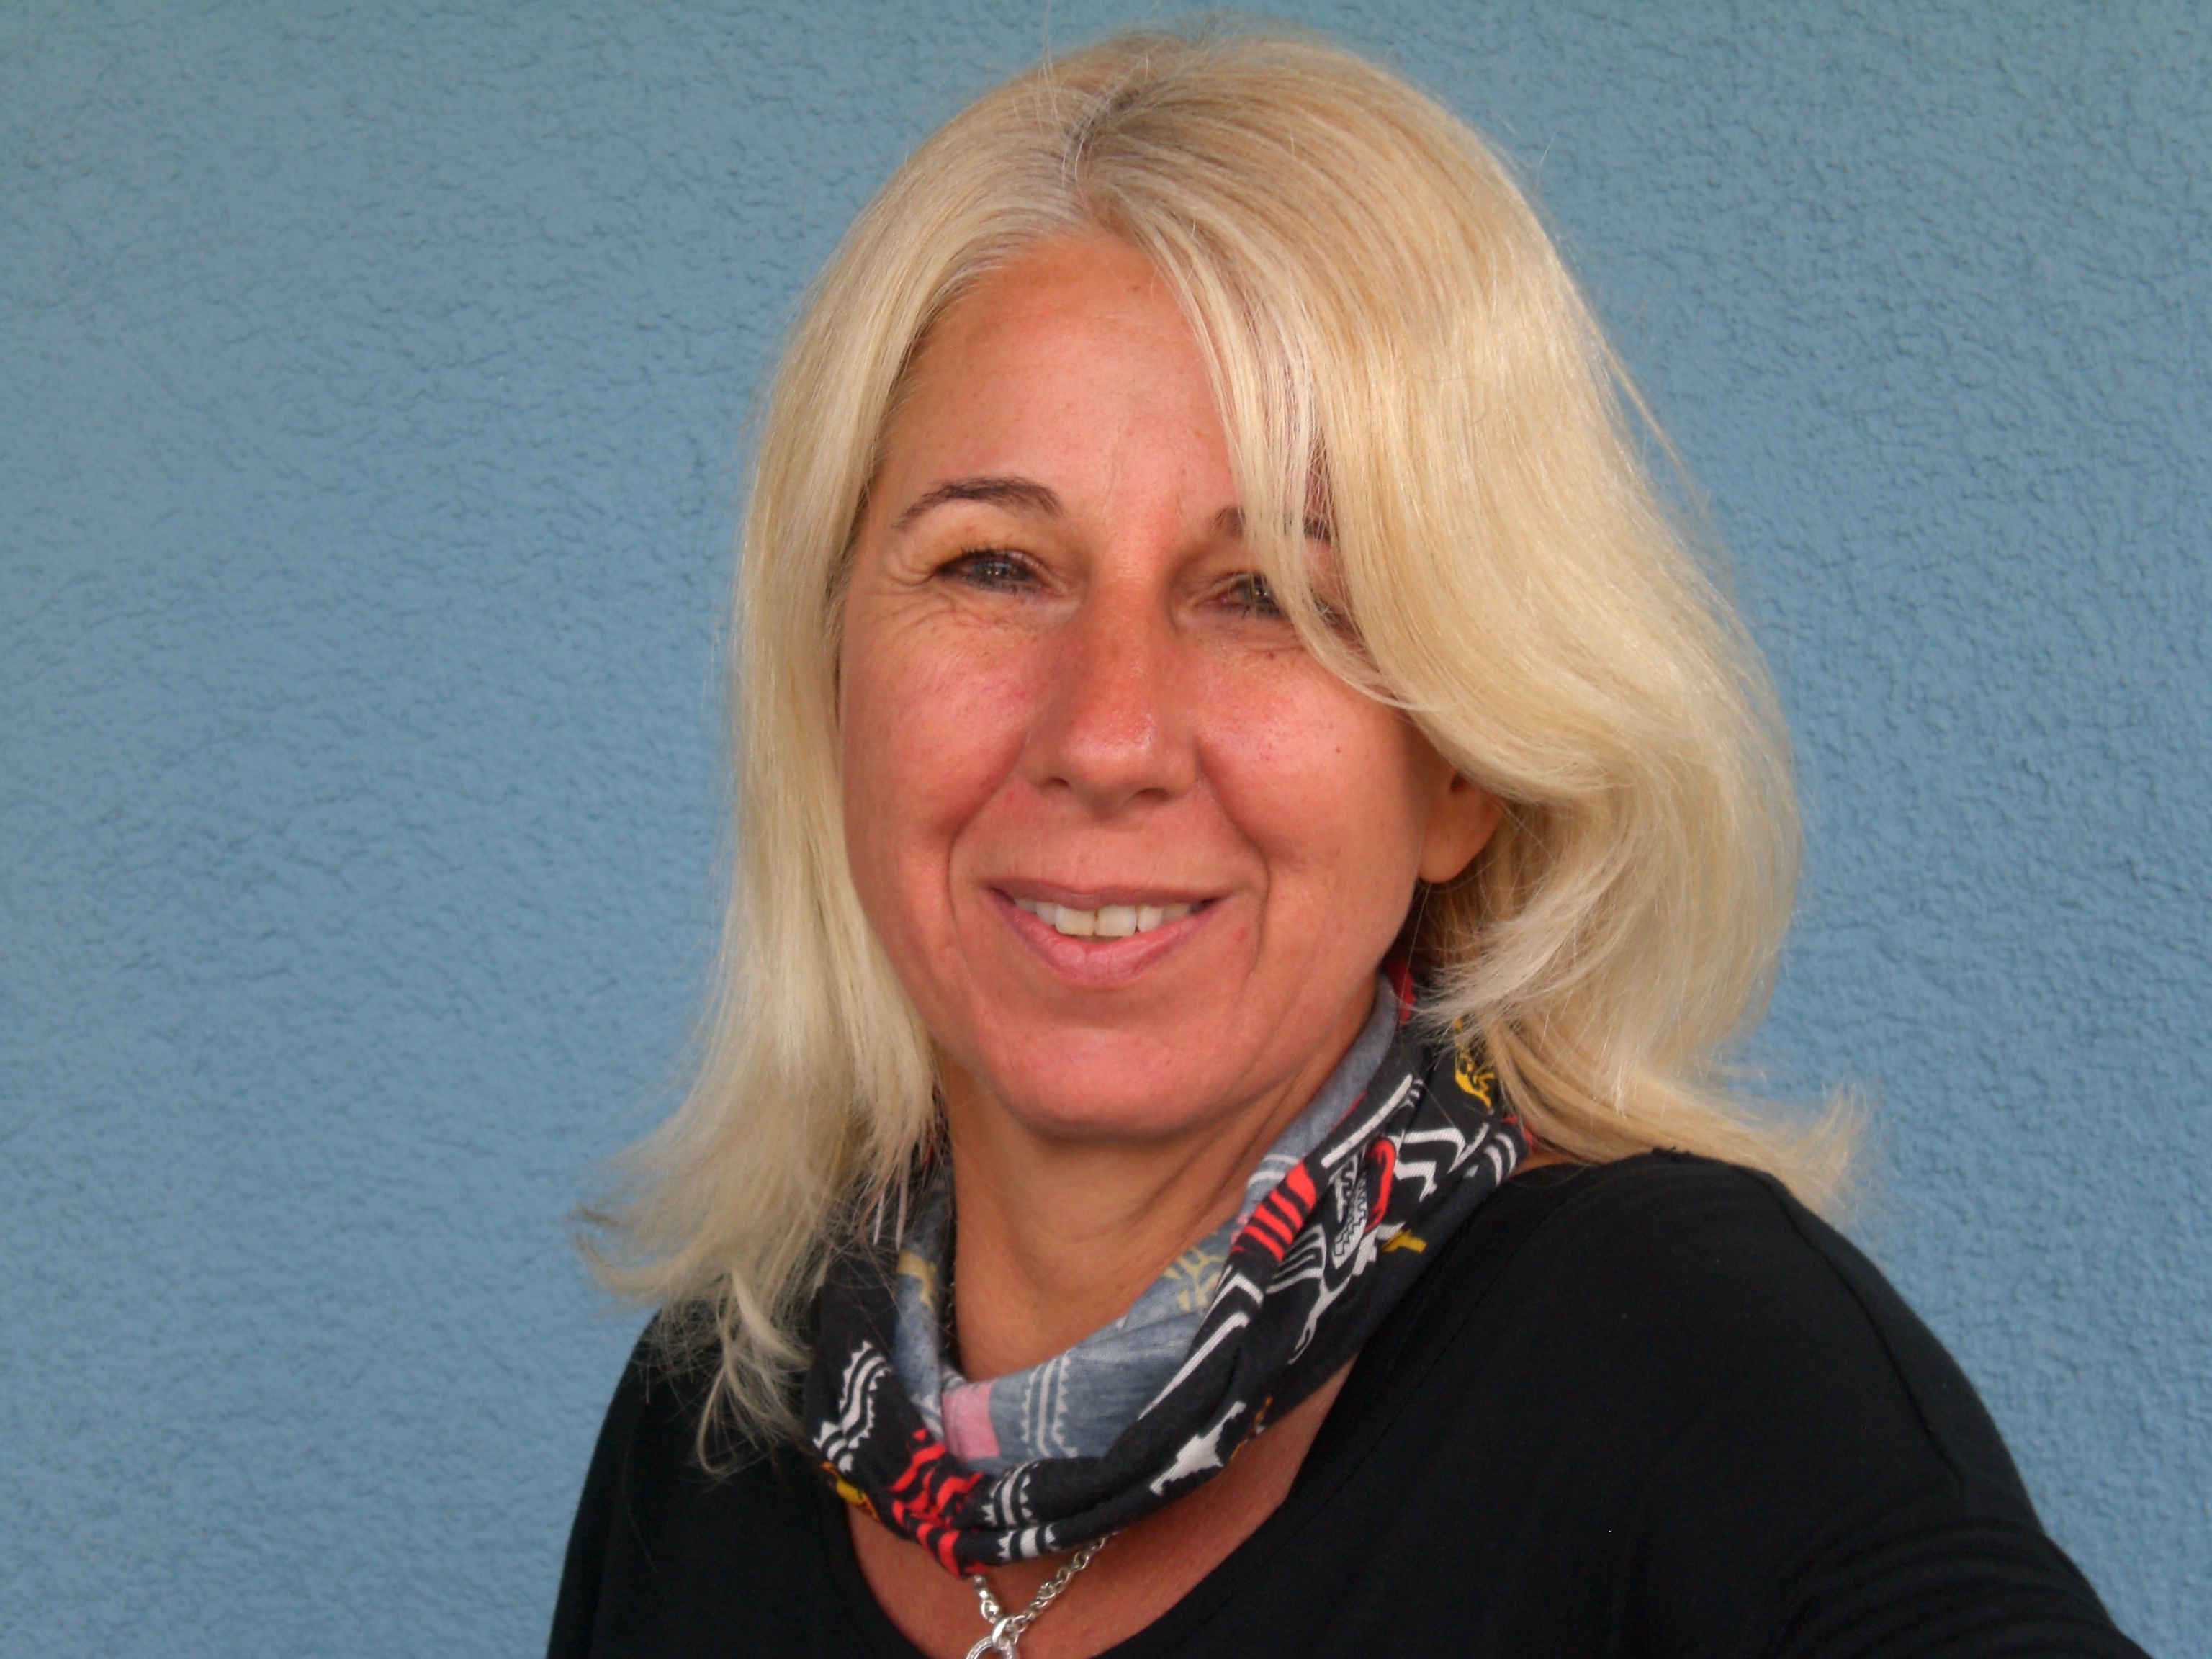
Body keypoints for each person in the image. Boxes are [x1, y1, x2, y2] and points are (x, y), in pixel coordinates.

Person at [548, 27, 2146, 1659]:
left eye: (1268, 596)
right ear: (831, 681)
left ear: (1464, 763)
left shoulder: (1706, 1377)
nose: (1106, 736)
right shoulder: (729, 1407)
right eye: (994, 569)